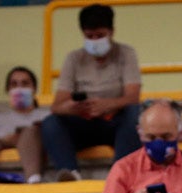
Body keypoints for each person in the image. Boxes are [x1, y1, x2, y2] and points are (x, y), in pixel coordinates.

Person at [41, 3, 141, 181]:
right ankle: (70, 173)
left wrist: (107, 105)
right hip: (83, 123)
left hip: (115, 123)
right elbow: (57, 106)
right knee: (51, 123)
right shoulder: (73, 59)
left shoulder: (126, 53)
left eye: (100, 35)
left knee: (135, 113)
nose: (95, 40)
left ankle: (121, 174)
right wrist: (73, 107)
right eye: (90, 36)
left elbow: (133, 96)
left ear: (111, 32)